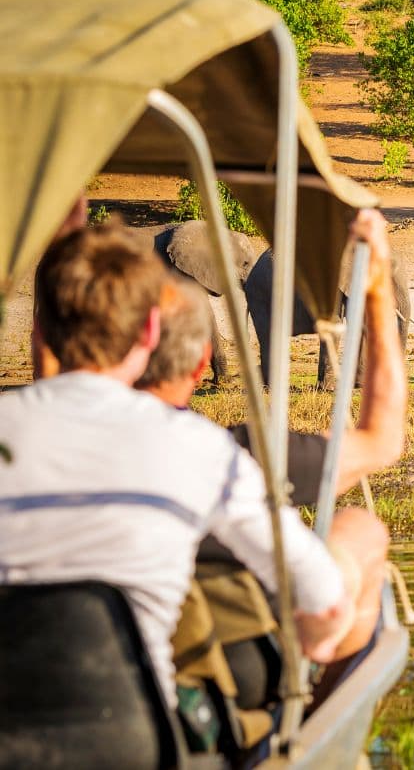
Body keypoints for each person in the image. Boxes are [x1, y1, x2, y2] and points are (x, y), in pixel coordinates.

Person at [0, 222, 382, 709]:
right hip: (141, 733)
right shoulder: (197, 447)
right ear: (150, 332)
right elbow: (324, 599)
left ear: (38, 329)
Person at [137, 210, 405, 723]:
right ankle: (307, 728)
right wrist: (377, 290)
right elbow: (383, 439)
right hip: (204, 693)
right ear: (200, 365)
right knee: (361, 530)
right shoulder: (224, 458)